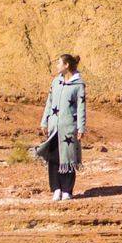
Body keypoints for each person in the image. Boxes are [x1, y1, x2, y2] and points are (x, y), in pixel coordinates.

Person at [38, 53, 86, 200]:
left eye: (59, 63)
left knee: (68, 159)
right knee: (54, 158)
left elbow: (81, 107)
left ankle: (67, 190)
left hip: (68, 129)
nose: (57, 66)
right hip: (54, 128)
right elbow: (49, 102)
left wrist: (81, 127)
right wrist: (44, 121)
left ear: (66, 65)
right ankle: (56, 189)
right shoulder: (55, 82)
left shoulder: (78, 85)